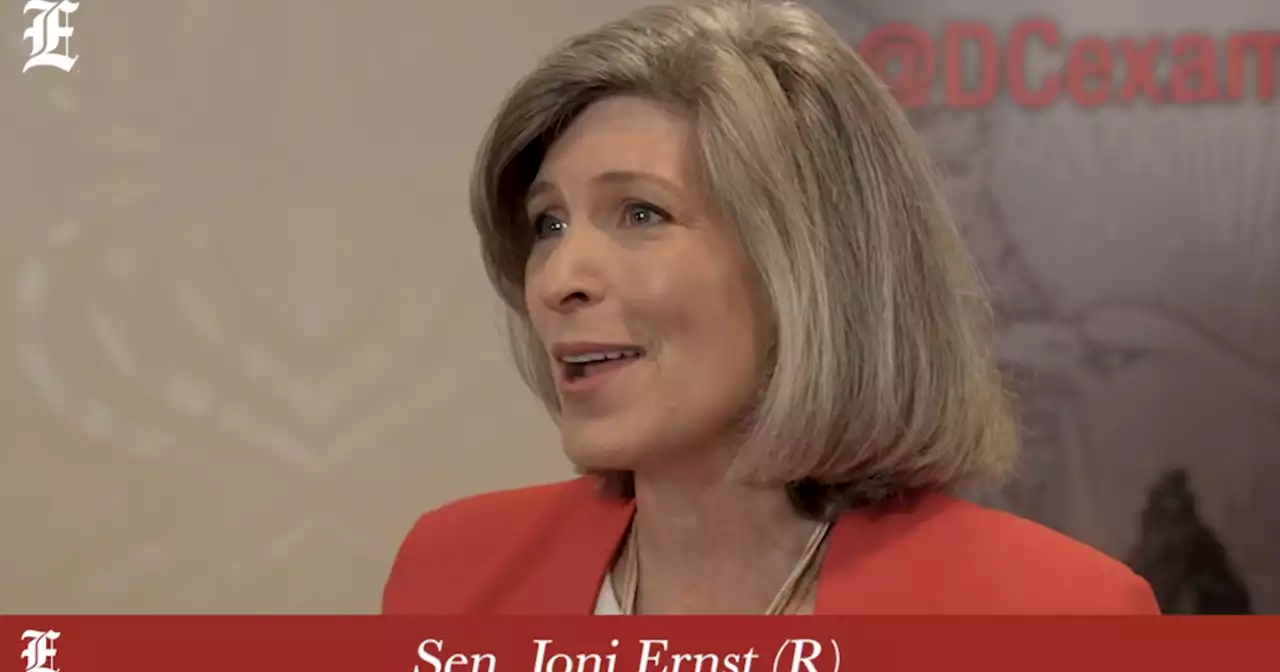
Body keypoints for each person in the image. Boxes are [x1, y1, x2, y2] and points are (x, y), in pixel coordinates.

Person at [382, 0, 1160, 615]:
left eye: (641, 213)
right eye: (549, 224)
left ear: (811, 265)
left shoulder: (1057, 617)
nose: (555, 280)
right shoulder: (451, 572)